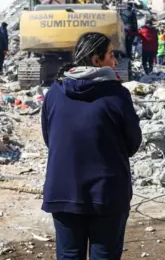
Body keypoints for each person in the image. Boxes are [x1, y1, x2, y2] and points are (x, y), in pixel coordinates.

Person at [41, 32, 142, 260]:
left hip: (63, 190)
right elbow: (133, 142)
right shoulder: (117, 94)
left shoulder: (54, 93)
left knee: (68, 256)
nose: (115, 61)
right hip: (107, 192)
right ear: (96, 60)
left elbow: (51, 139)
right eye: (110, 54)